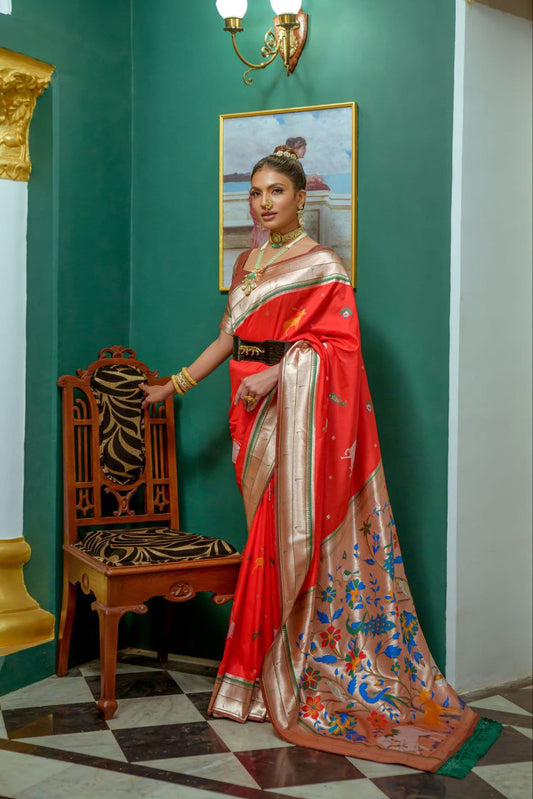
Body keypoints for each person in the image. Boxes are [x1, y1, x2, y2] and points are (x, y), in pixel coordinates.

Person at [140, 146, 500, 775]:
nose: (264, 202)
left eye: (276, 191)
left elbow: (340, 350)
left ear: (301, 197)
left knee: (280, 541)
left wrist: (280, 376)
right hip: (245, 414)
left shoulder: (324, 265)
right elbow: (229, 336)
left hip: (293, 413)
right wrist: (174, 385)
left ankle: (266, 674)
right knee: (264, 536)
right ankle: (254, 675)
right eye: (256, 192)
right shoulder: (248, 261)